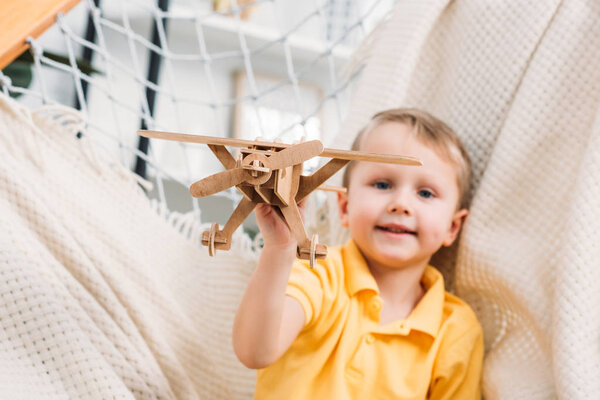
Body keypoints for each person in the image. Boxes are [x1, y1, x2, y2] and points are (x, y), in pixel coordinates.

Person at [233, 108, 484, 399]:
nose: (400, 204)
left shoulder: (456, 329)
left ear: (452, 228)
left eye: (425, 193)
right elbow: (254, 352)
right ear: (344, 207)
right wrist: (279, 249)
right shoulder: (319, 275)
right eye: (382, 184)